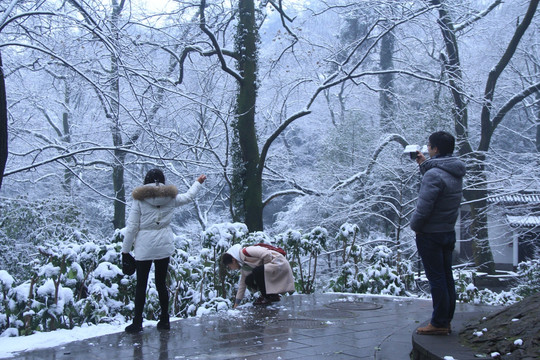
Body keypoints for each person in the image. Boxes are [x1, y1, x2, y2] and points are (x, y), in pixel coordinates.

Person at [122, 168, 206, 333]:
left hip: (144, 247)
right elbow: (188, 197)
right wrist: (198, 182)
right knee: (161, 283)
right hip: (164, 245)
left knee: (141, 285)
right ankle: (165, 320)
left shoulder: (139, 200)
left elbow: (132, 227)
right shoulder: (170, 198)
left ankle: (137, 322)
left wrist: (125, 251)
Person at [410, 131, 466, 335]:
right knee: (446, 276)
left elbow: (424, 207)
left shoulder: (434, 174)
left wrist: (415, 225)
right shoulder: (455, 170)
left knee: (436, 279)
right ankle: (445, 319)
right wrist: (424, 164)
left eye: (429, 146)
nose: (427, 149)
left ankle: (439, 322)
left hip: (430, 234)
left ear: (435, 148)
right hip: (448, 231)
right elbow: (438, 177)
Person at [222, 244, 295, 308]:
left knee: (257, 271)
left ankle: (267, 297)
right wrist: (236, 303)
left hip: (278, 263)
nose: (231, 268)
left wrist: (264, 269)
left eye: (229, 266)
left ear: (233, 260)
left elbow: (267, 254)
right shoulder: (244, 266)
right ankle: (271, 296)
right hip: (270, 268)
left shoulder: (246, 251)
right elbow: (242, 285)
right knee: (248, 279)